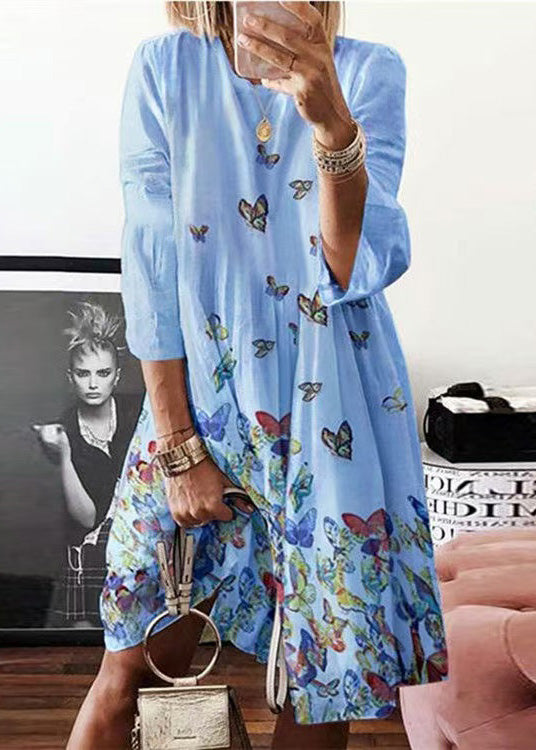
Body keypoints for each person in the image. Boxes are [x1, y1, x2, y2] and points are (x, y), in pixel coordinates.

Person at [68, 1, 449, 747]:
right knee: (127, 673)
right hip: (200, 407)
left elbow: (352, 265)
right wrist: (179, 449)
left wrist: (332, 125)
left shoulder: (369, 73)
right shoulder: (166, 68)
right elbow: (152, 268)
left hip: (332, 418)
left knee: (316, 691)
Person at [34, 300, 143, 628]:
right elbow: (85, 518)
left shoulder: (137, 414)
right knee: (84, 631)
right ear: (71, 377)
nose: (93, 384)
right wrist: (65, 454)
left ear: (116, 376)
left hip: (140, 547)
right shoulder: (65, 431)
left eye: (103, 373)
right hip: (90, 557)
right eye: (84, 374)